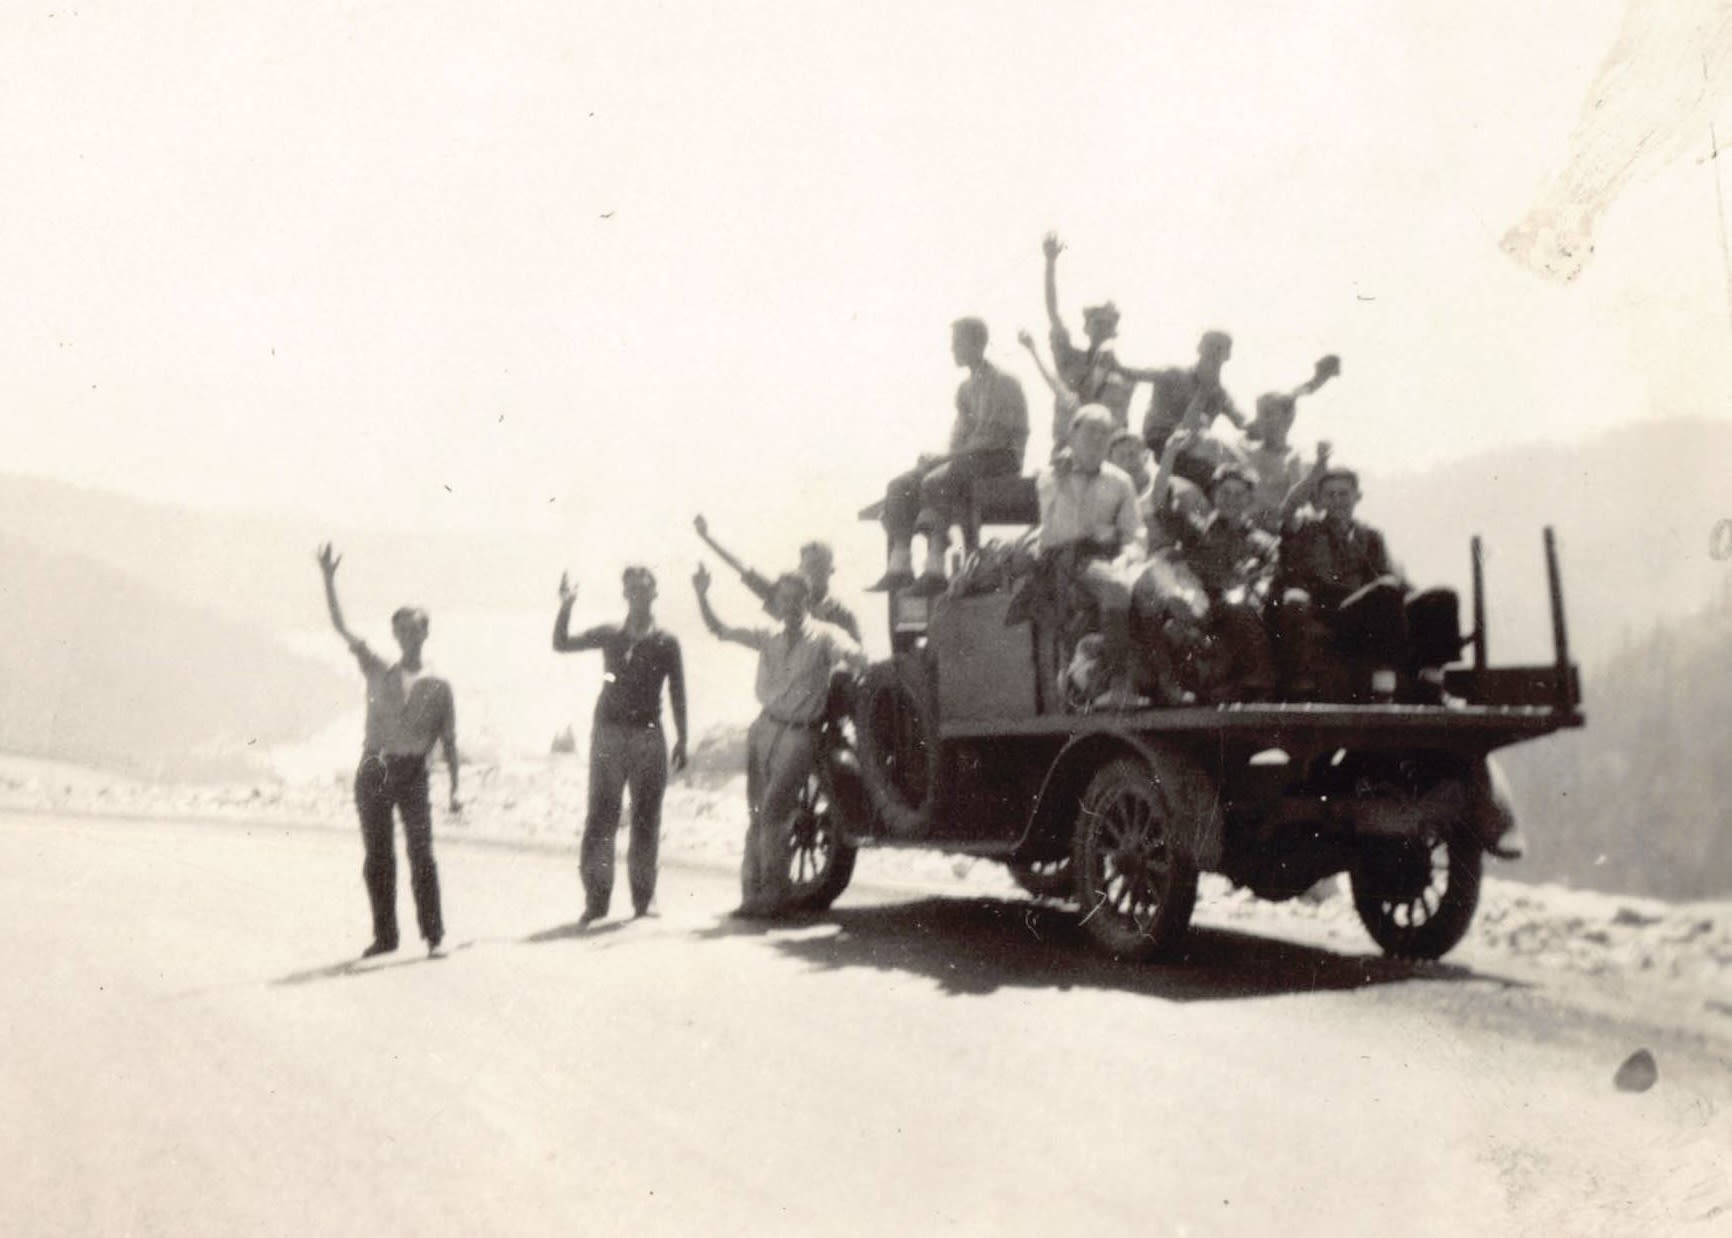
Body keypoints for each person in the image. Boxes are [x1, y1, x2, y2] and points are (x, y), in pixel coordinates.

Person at [693, 564, 866, 918]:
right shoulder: (767, 634)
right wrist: (702, 595)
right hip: (764, 728)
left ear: (807, 600)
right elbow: (720, 630)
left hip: (800, 733)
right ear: (777, 602)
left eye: (796, 598)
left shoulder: (825, 636)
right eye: (784, 599)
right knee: (757, 812)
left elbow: (854, 654)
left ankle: (775, 896)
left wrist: (853, 661)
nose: (790, 605)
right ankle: (751, 895)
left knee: (774, 809)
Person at [317, 542, 458, 959]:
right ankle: (385, 936)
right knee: (377, 856)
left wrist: (456, 789)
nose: (407, 636)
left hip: (413, 773)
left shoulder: (439, 685)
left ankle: (434, 936)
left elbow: (449, 740)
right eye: (400, 630)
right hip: (375, 769)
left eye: (414, 629)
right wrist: (328, 580)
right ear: (394, 635)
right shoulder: (378, 667)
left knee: (422, 855)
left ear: (426, 633)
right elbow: (342, 628)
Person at [553, 567, 688, 924]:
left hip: (648, 735)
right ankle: (596, 900)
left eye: (644, 589)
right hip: (608, 734)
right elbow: (562, 643)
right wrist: (566, 604)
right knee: (601, 817)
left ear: (655, 594)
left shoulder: (666, 641)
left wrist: (683, 738)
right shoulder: (611, 634)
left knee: (646, 818)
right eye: (632, 590)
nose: (638, 595)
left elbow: (677, 690)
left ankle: (645, 898)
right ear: (625, 595)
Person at [869, 317, 1029, 596]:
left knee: (937, 480)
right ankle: (900, 566)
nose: (952, 349)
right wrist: (938, 458)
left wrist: (944, 460)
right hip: (970, 457)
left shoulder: (1003, 382)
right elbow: (960, 438)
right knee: (900, 485)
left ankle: (935, 569)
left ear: (977, 344)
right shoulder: (965, 389)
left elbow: (994, 439)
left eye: (958, 343)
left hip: (1001, 458)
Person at [1035, 404, 1148, 709]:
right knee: (1116, 587)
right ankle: (1117, 684)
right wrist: (1066, 481)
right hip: (1065, 558)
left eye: (1104, 432)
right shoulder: (1051, 477)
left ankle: (1162, 680)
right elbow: (1061, 532)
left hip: (1110, 557)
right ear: (1072, 435)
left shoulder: (1120, 480)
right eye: (1091, 431)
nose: (1098, 438)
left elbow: (1135, 533)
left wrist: (1128, 557)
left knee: (1151, 586)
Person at [1147, 462, 1279, 702]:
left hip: (1244, 613)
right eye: (1225, 492)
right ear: (1214, 494)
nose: (1231, 500)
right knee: (1175, 628)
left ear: (1250, 499)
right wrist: (1170, 454)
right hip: (1201, 608)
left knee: (1244, 610)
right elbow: (1159, 504)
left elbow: (1271, 573)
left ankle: (1259, 684)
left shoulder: (1261, 541)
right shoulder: (1196, 530)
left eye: (1239, 494)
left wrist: (1255, 583)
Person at [691, 514, 862, 643]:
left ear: (830, 571)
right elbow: (740, 566)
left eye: (817, 566)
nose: (811, 573)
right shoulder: (783, 594)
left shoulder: (843, 614)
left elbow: (859, 652)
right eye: (807, 566)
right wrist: (707, 537)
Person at [1039, 232, 1142, 437]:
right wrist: (1050, 262)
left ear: (1114, 331)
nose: (1102, 329)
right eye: (1097, 323)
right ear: (1086, 328)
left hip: (1107, 447)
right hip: (1067, 445)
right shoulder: (1069, 358)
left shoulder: (1124, 373)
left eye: (1108, 324)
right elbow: (1053, 314)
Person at [1235, 355, 1341, 531]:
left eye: (1267, 414)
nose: (1260, 420)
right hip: (1248, 532)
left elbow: (1318, 506)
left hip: (1287, 534)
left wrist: (1319, 379)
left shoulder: (1301, 459)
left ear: (1289, 417)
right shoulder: (1244, 454)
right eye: (1259, 414)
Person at [1140, 331, 1247, 487]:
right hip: (1159, 443)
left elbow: (1242, 421)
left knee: (1235, 469)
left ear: (1228, 355)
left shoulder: (1220, 394)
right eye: (1210, 345)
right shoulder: (1173, 374)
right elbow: (1135, 374)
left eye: (1220, 348)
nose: (1214, 351)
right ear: (1199, 347)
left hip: (1193, 450)